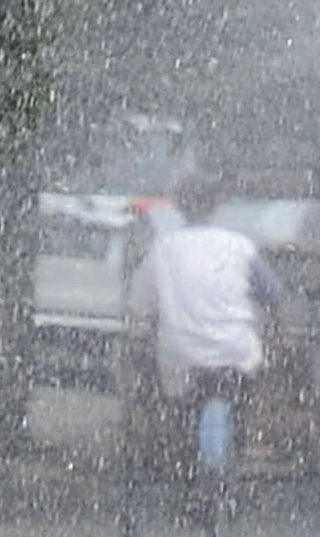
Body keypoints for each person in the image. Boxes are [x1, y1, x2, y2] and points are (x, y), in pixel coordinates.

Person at [125, 178, 288, 506]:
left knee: (178, 412)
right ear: (216, 208)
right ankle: (242, 451)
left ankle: (183, 466)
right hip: (236, 353)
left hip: (181, 357)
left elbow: (138, 305)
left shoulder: (163, 249)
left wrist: (146, 332)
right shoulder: (239, 246)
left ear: (180, 208)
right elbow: (274, 295)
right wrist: (275, 333)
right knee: (247, 395)